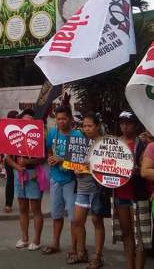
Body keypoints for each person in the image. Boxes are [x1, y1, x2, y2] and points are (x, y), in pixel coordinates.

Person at [42, 105, 82, 257]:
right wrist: (50, 158)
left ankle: (74, 247)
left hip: (71, 180)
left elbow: (81, 159)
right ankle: (55, 243)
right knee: (56, 214)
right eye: (58, 119)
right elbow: (48, 149)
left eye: (64, 118)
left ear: (70, 118)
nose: (61, 122)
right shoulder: (53, 132)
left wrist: (61, 159)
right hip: (55, 178)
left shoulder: (78, 135)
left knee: (73, 218)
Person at [113, 111, 150, 269]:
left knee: (139, 235)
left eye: (128, 123)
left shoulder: (143, 144)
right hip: (120, 193)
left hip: (139, 195)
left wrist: (138, 170)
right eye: (122, 123)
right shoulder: (113, 144)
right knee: (126, 233)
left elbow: (147, 169)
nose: (125, 126)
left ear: (135, 125)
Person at [70, 112, 107, 268]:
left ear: (97, 126)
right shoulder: (79, 142)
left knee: (97, 221)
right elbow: (72, 163)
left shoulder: (105, 144)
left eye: (90, 126)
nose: (86, 129)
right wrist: (75, 168)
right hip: (82, 188)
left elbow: (107, 166)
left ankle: (98, 257)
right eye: (84, 126)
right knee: (77, 221)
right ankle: (82, 253)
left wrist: (89, 168)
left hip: (97, 189)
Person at [7, 108, 46, 250]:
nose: (27, 123)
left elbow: (43, 158)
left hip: (34, 174)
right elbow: (7, 157)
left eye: (30, 121)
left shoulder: (39, 137)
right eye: (24, 121)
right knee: (22, 208)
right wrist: (17, 167)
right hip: (19, 174)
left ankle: (37, 240)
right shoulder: (14, 136)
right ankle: (24, 238)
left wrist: (28, 162)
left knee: (35, 209)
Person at [3, 110, 18, 214]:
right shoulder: (5, 130)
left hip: (20, 159)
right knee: (10, 181)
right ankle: (8, 204)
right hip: (9, 159)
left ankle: (28, 204)